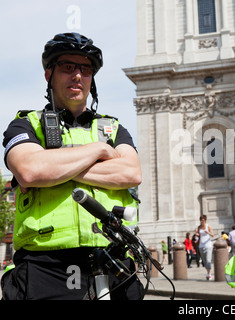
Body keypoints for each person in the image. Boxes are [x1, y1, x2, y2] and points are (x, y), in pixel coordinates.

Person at [1, 33, 143, 300]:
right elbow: (30, 170)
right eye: (68, 67)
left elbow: (131, 172)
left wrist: (56, 168)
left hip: (113, 260)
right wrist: (100, 151)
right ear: (49, 75)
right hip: (46, 266)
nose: (78, 75)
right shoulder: (26, 124)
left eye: (85, 69)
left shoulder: (112, 127)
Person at [195, 214, 214, 280]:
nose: (202, 221)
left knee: (208, 260)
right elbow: (196, 233)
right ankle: (209, 272)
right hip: (201, 245)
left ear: (205, 220)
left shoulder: (208, 226)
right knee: (204, 261)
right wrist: (197, 234)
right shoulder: (198, 227)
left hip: (208, 245)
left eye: (203, 220)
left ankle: (209, 274)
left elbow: (212, 235)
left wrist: (208, 232)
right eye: (201, 220)